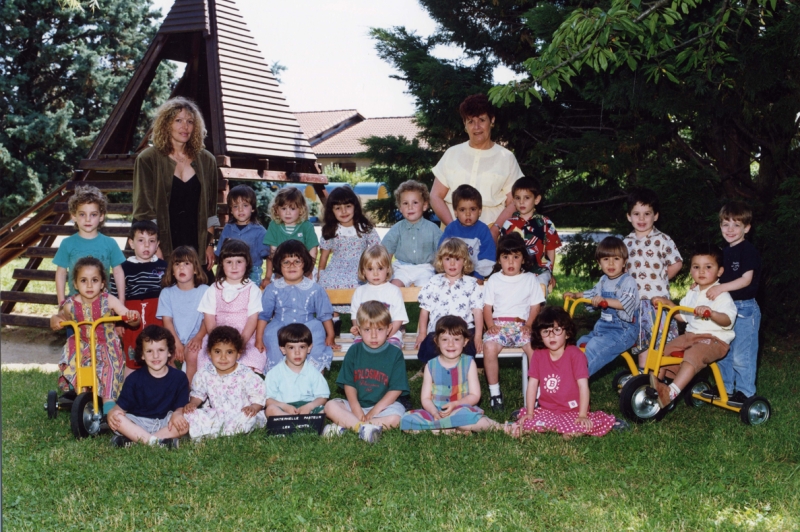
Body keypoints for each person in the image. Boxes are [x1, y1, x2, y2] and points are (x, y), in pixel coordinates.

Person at [132, 97, 219, 279]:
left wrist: (210, 246)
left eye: (189, 121)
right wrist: (156, 247)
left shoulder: (207, 160)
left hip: (198, 246)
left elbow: (211, 211)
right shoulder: (148, 159)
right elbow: (144, 211)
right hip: (165, 245)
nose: (185, 126)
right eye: (178, 120)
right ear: (166, 124)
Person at [650, 245, 737, 409]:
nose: (701, 271)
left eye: (708, 267)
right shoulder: (693, 291)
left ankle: (671, 392)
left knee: (693, 355)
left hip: (714, 339)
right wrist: (668, 303)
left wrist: (711, 313)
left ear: (720, 271)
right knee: (664, 350)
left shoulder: (721, 294)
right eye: (696, 267)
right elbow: (682, 316)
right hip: (690, 336)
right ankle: (655, 386)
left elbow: (728, 320)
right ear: (691, 270)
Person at [50, 257, 140, 410]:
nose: (90, 285)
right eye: (84, 280)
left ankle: (108, 406)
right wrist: (55, 320)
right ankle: (82, 397)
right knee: (79, 368)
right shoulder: (70, 305)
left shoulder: (109, 300)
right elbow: (59, 317)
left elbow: (129, 317)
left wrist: (131, 316)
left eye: (95, 280)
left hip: (107, 345)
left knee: (109, 370)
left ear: (103, 283)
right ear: (76, 284)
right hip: (82, 344)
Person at [430, 93, 524, 240]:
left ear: (492, 120)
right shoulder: (451, 154)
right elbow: (435, 196)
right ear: (464, 124)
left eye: (482, 120)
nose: (477, 127)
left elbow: (514, 201)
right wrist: (452, 228)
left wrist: (495, 230)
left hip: (490, 231)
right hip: (452, 231)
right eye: (471, 121)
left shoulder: (506, 158)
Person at [516, 307, 619, 439]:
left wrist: (582, 415)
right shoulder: (538, 355)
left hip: (573, 411)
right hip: (547, 410)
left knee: (581, 425)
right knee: (527, 422)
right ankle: (543, 426)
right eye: (546, 331)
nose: (551, 336)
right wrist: (530, 412)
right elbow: (532, 385)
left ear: (567, 333)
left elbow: (583, 387)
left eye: (557, 330)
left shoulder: (576, 355)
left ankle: (572, 431)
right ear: (540, 336)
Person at [402, 316, 515, 434]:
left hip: (461, 410)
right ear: (437, 341)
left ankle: (501, 427)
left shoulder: (469, 363)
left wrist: (455, 404)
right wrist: (434, 412)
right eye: (445, 339)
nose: (450, 344)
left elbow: (475, 395)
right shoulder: (430, 365)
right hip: (436, 412)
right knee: (407, 421)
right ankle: (452, 430)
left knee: (465, 419)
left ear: (465, 341)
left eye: (456, 339)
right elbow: (425, 398)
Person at [701, 202, 761, 406]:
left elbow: (746, 280)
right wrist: (701, 283)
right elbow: (714, 275)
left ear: (747, 228)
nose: (730, 230)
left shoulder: (748, 250)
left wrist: (721, 288)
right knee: (723, 350)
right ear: (720, 227)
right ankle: (725, 386)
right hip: (726, 309)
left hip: (745, 309)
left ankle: (745, 392)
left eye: (736, 225)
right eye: (726, 224)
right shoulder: (723, 253)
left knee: (741, 355)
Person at [323, 301, 409, 443]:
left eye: (379, 329)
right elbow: (348, 384)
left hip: (384, 407)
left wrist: (374, 411)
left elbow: (396, 389)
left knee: (397, 418)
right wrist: (356, 408)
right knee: (330, 406)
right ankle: (363, 428)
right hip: (356, 404)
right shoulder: (354, 351)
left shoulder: (395, 354)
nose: (374, 336)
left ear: (389, 329)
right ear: (358, 330)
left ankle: (345, 427)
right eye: (368, 330)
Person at [482, 233, 545, 411]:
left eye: (516, 257)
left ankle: (538, 394)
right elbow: (487, 308)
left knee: (535, 349)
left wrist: (529, 325)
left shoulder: (530, 279)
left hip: (522, 325)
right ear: (499, 260)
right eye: (505, 257)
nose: (510, 262)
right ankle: (495, 394)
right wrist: (490, 326)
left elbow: (535, 307)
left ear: (523, 260)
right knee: (489, 348)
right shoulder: (494, 280)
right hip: (499, 325)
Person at [623, 187, 683, 368]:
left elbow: (676, 263)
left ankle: (660, 375)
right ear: (629, 216)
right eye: (636, 214)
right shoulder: (626, 242)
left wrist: (661, 279)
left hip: (657, 302)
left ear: (655, 216)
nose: (641, 219)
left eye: (647, 213)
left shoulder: (663, 239)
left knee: (661, 340)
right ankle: (643, 375)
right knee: (642, 342)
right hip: (635, 302)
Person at [257, 240, 338, 373]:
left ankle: (314, 378)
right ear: (279, 265)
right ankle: (280, 379)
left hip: (308, 324)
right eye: (286, 262)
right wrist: (259, 339)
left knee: (317, 338)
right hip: (280, 325)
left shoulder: (315, 289)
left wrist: (330, 335)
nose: (291, 266)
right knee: (272, 337)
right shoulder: (272, 289)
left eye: (297, 261)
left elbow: (325, 314)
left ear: (304, 264)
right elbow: (264, 316)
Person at [564, 236, 639, 376]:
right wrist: (575, 295)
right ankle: (569, 372)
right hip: (603, 330)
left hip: (623, 332)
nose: (611, 263)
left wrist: (605, 300)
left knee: (594, 347)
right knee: (581, 343)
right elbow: (592, 293)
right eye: (606, 259)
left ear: (624, 262)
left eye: (616, 259)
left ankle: (577, 379)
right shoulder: (603, 280)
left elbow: (625, 303)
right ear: (599, 263)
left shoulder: (628, 281)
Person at [107, 325, 190, 448]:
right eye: (149, 351)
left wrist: (177, 414)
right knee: (118, 418)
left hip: (165, 423)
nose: (155, 356)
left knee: (186, 423)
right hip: (138, 422)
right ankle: (157, 443)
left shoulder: (180, 378)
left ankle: (136, 441)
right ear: (142, 355)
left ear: (169, 352)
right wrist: (111, 414)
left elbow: (180, 407)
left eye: (161, 350)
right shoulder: (134, 379)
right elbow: (119, 408)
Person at [184, 326, 267, 439]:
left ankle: (217, 435)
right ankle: (219, 432)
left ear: (238, 354)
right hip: (217, 415)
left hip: (240, 414)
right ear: (209, 353)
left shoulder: (245, 374)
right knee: (191, 414)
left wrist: (253, 408)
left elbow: (258, 396)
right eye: (217, 352)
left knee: (248, 418)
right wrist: (193, 404)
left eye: (229, 352)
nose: (223, 357)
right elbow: (198, 394)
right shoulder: (205, 373)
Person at [197, 239, 265, 375]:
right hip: (218, 335)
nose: (234, 267)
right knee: (208, 362)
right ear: (222, 264)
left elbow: (253, 319)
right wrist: (216, 340)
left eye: (239, 262)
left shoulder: (252, 289)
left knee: (248, 363)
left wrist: (241, 342)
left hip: (243, 335)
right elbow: (209, 317)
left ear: (247, 264)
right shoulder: (214, 288)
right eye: (229, 262)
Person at [317, 186, 381, 328]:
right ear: (331, 211)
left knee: (359, 282)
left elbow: (377, 249)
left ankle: (361, 319)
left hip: (360, 265)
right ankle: (334, 320)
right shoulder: (331, 229)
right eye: (338, 208)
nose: (344, 211)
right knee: (327, 282)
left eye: (348, 206)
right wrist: (321, 272)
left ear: (355, 207)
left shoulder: (364, 228)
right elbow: (324, 256)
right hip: (337, 265)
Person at [109, 220, 167, 373]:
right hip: (132, 317)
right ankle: (130, 391)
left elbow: (170, 294)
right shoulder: (123, 268)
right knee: (133, 355)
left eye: (151, 241)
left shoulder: (163, 266)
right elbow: (114, 296)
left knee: (157, 351)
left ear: (157, 244)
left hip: (157, 316)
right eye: (141, 241)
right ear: (131, 243)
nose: (146, 245)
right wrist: (119, 322)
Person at [54, 185, 126, 309]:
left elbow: (118, 272)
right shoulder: (67, 243)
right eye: (82, 214)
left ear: (101, 216)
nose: (88, 219)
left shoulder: (110, 243)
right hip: (75, 305)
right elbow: (60, 273)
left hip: (104, 305)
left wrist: (121, 300)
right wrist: (62, 303)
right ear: (74, 216)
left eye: (93, 214)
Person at [415, 239, 484, 364]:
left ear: (464, 261)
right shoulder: (433, 282)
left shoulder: (471, 284)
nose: (452, 264)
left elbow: (478, 312)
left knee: (467, 350)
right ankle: (433, 374)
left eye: (457, 259)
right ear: (441, 261)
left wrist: (478, 336)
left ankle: (463, 376)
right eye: (447, 259)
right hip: (438, 330)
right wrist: (422, 333)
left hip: (463, 330)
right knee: (430, 349)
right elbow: (425, 310)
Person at [157, 246, 209, 385]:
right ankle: (173, 388)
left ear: (196, 269)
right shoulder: (167, 293)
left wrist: (198, 338)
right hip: (174, 337)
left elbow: (207, 319)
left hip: (198, 337)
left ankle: (188, 391)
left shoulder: (205, 291)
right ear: (172, 271)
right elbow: (167, 321)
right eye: (177, 264)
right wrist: (176, 343)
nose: (181, 268)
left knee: (192, 355)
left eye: (187, 264)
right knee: (167, 356)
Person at [499, 177, 562, 291]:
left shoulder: (545, 223)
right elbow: (503, 249)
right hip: (515, 270)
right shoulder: (509, 224)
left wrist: (550, 272)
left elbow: (551, 249)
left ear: (537, 199)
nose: (521, 202)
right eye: (518, 198)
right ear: (513, 200)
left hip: (540, 270)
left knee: (539, 288)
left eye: (527, 198)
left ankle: (538, 307)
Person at [381, 180, 442, 288]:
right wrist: (383, 271)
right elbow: (386, 251)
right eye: (405, 203)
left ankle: (424, 305)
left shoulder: (433, 229)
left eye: (415, 202)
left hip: (425, 268)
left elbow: (442, 251)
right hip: (402, 268)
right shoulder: (397, 229)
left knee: (428, 289)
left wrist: (441, 271)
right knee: (392, 288)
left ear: (424, 206)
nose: (410, 207)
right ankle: (392, 305)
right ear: (400, 207)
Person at [264, 324, 330, 417]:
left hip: (307, 406)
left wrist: (309, 406)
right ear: (283, 349)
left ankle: (302, 421)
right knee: (270, 409)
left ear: (309, 348)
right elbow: (268, 399)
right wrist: (285, 407)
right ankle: (289, 419)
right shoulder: (274, 373)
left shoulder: (314, 372)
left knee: (324, 409)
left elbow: (323, 397)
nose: (297, 352)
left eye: (302, 347)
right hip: (283, 407)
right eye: (291, 347)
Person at [349, 245, 409, 348]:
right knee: (357, 349)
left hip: (390, 335)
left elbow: (398, 319)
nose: (375, 273)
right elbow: (355, 315)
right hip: (365, 335)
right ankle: (363, 364)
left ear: (388, 269)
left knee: (392, 349)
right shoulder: (360, 292)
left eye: (380, 268)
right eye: (370, 269)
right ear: (363, 271)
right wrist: (357, 327)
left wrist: (385, 336)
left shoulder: (393, 291)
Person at [438, 184, 496, 280]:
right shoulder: (451, 229)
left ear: (480, 211)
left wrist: (479, 276)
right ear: (455, 212)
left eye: (473, 209)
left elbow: (488, 256)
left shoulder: (483, 230)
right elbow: (441, 253)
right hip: (452, 274)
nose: (468, 214)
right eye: (462, 210)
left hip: (475, 275)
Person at [215, 185, 269, 286]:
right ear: (230, 210)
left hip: (252, 272)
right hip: (230, 271)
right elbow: (220, 254)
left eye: (245, 205)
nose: (240, 210)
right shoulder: (228, 229)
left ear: (252, 208)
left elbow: (269, 256)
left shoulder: (260, 231)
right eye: (235, 206)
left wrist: (268, 277)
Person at [263, 187, 319, 279]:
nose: (287, 213)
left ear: (301, 210)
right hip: (282, 268)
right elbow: (273, 253)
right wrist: (273, 274)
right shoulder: (274, 226)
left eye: (292, 209)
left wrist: (309, 270)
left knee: (311, 284)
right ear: (276, 209)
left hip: (304, 267)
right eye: (284, 208)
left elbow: (313, 251)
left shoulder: (307, 226)